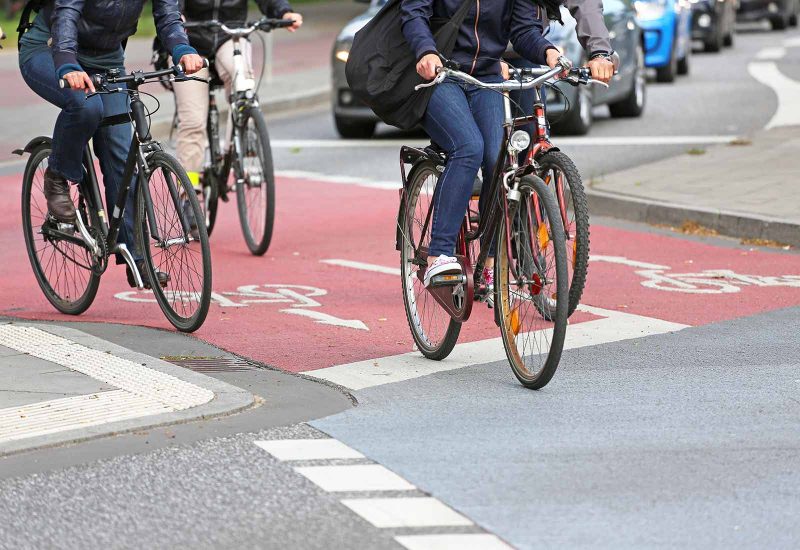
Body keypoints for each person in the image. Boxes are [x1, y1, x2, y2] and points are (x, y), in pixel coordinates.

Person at [18, 0, 204, 288]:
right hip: (51, 48)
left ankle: (137, 258)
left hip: (106, 58)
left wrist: (182, 48)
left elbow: (168, 16)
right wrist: (67, 62)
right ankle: (57, 176)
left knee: (121, 154)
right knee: (86, 108)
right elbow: (66, 14)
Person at [400, 0, 562, 287]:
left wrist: (548, 51)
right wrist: (425, 50)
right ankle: (440, 253)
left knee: (497, 159)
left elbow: (524, 30)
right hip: (441, 74)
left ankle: (488, 258)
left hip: (485, 77)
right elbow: (414, 12)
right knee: (468, 147)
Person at [173, 0, 302, 209]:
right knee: (192, 122)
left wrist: (284, 12)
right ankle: (189, 194)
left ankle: (240, 139)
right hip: (189, 40)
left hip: (230, 36)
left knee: (243, 82)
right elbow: (169, 6)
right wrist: (177, 20)